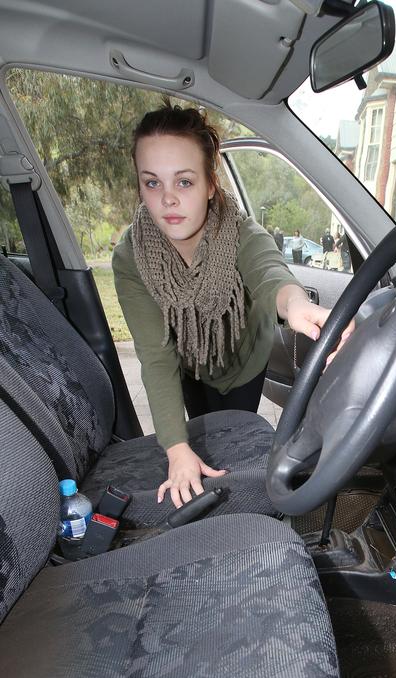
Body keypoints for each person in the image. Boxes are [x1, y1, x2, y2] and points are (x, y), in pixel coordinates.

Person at [113, 100, 353, 508]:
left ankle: (235, 497)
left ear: (210, 184)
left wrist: (295, 305)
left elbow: (269, 274)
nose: (168, 198)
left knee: (235, 433)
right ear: (139, 186)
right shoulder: (131, 257)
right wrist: (176, 449)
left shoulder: (242, 232)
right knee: (196, 435)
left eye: (184, 181)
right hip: (189, 363)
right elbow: (156, 356)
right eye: (152, 183)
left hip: (244, 360)